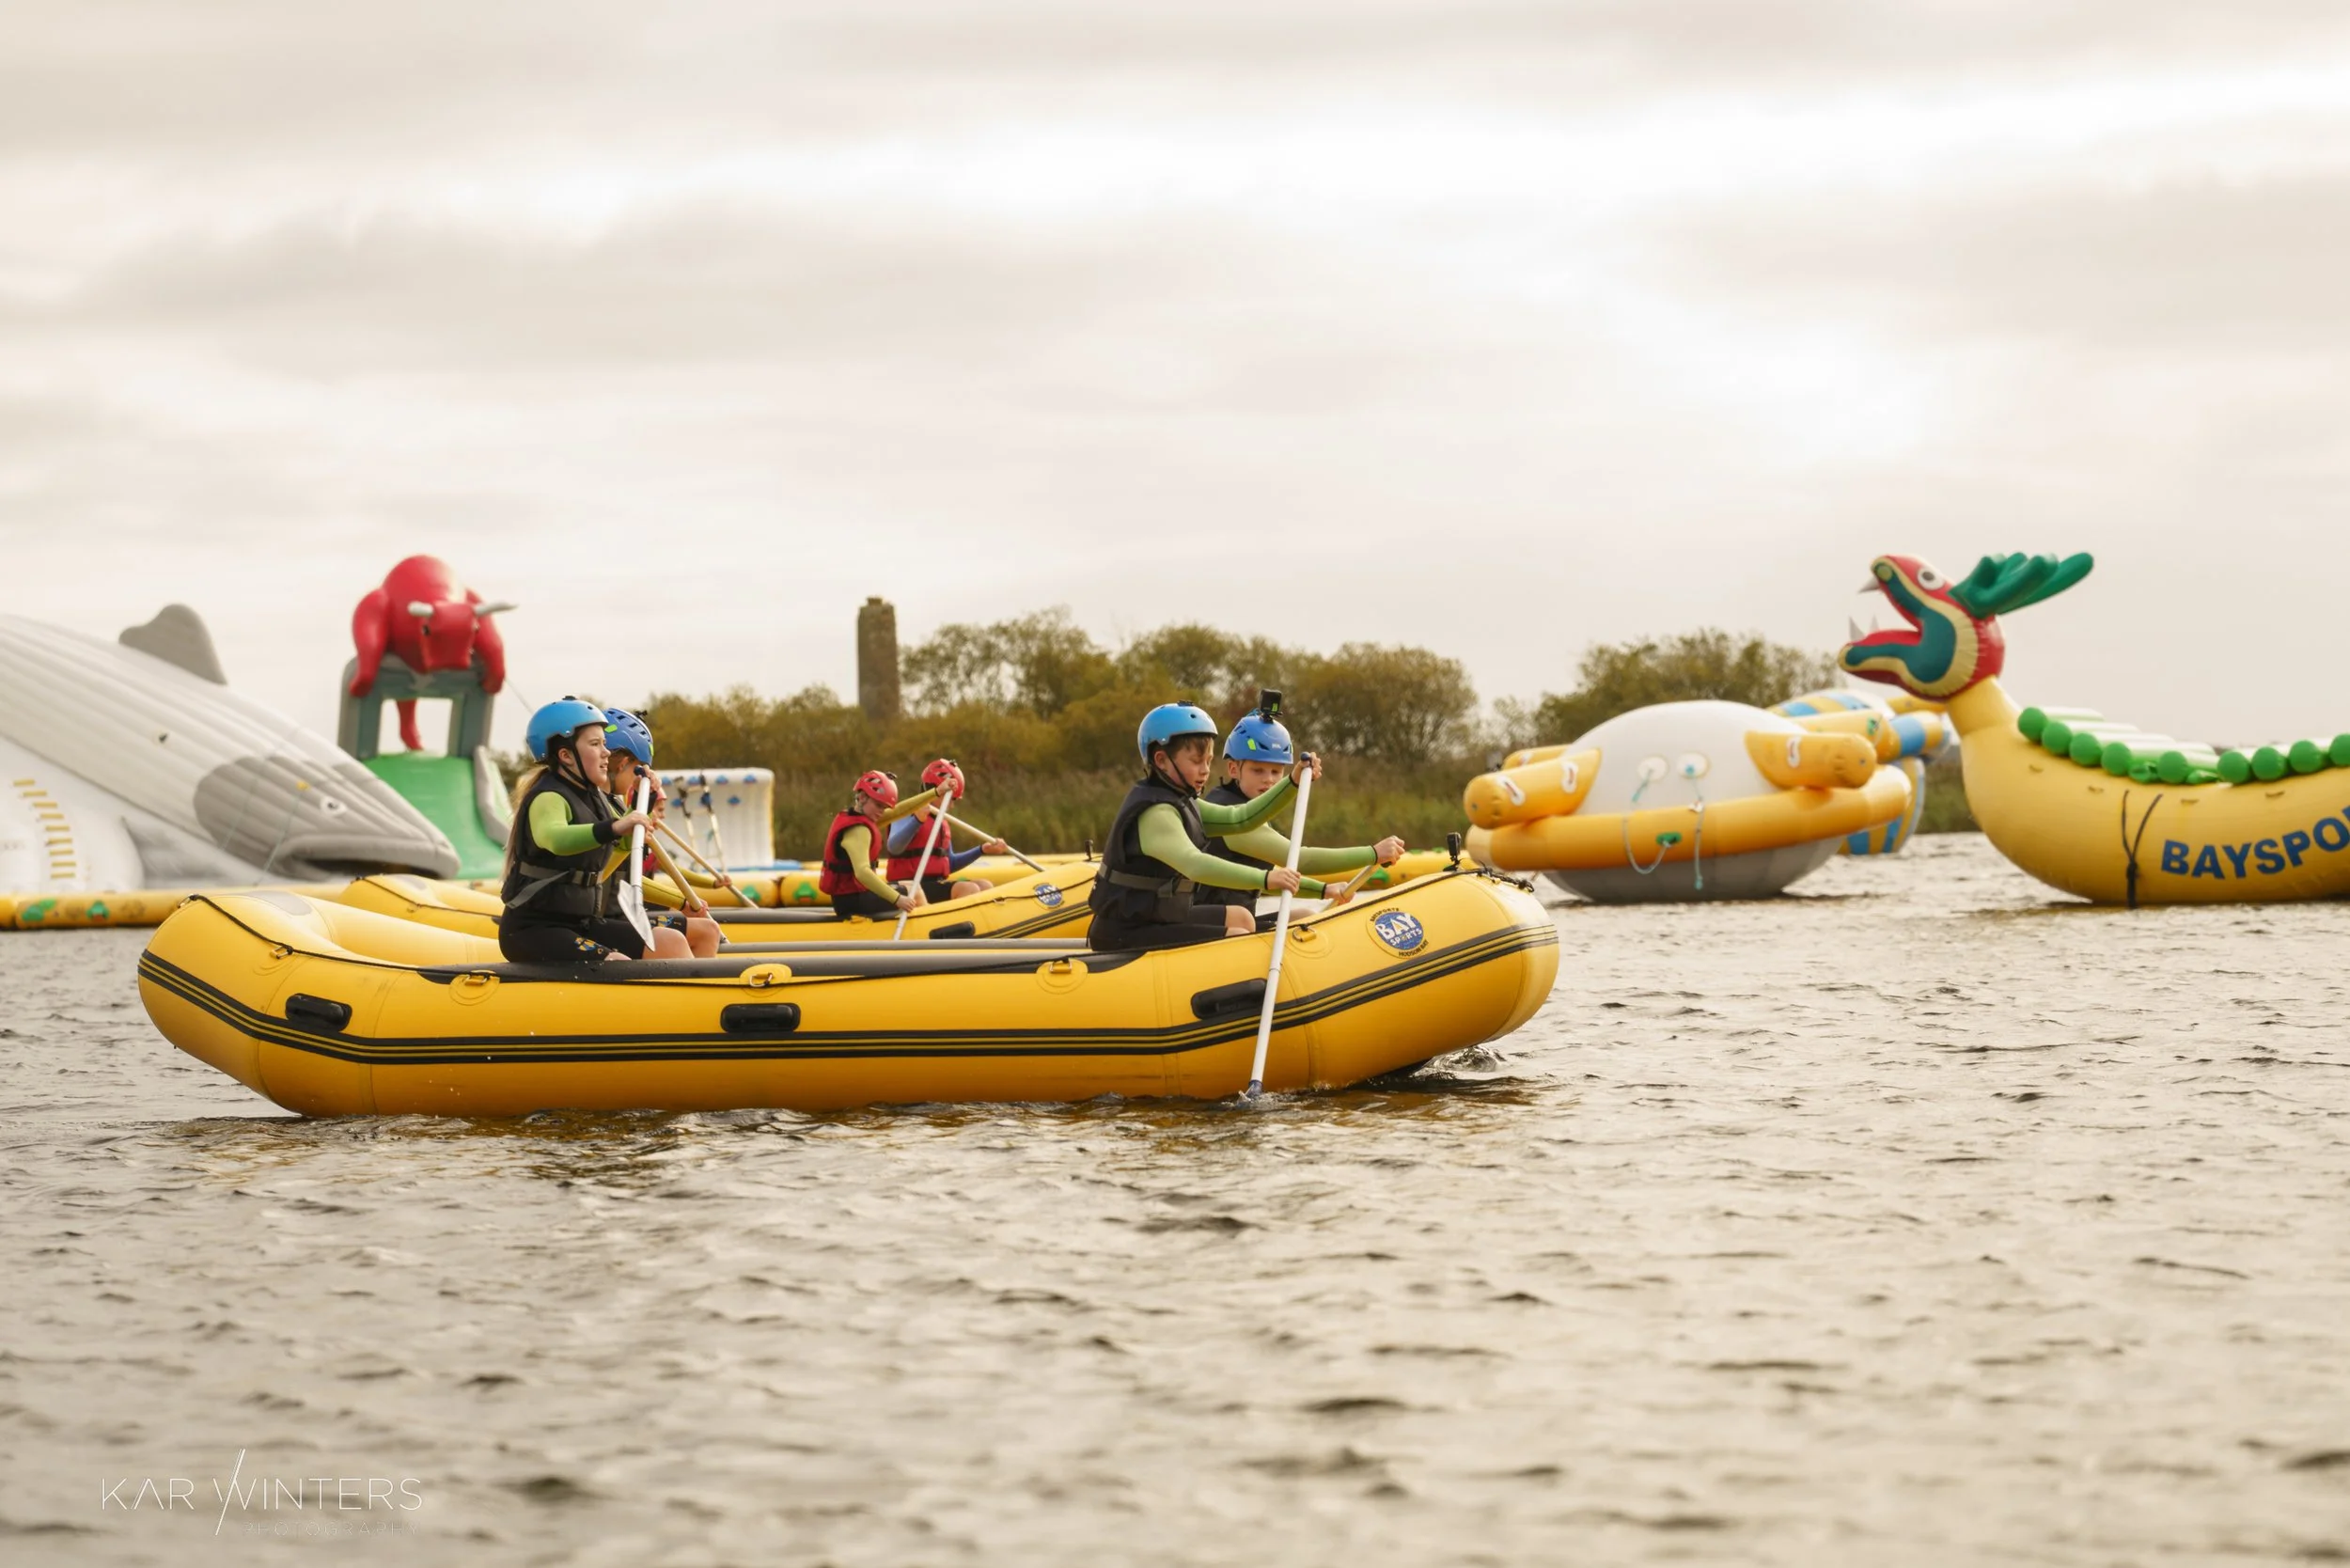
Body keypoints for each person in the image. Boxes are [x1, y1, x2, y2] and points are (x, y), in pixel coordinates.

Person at [1086, 702, 1324, 954]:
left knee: (1241, 918)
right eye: (1197, 761)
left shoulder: (1183, 801)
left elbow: (1241, 818)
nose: (1206, 771)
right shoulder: (1157, 812)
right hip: (1125, 932)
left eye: (1209, 761)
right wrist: (1266, 878)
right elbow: (1195, 864)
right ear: (1162, 760)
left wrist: (1293, 781)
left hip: (1159, 916)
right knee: (1238, 937)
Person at [1200, 695, 1405, 927]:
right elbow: (1301, 859)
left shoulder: (1251, 807)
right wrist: (1374, 853)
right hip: (1213, 926)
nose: (1268, 780)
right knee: (1245, 919)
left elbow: (1280, 875)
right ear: (1233, 769)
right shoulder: (1231, 812)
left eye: (1276, 772)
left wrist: (1324, 890)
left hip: (1239, 921)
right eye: (1258, 771)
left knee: (1306, 916)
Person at [497, 697, 658, 964]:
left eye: (604, 744)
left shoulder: (593, 797)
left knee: (669, 941)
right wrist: (615, 826)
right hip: (535, 930)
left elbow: (622, 846)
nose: (606, 752)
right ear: (566, 755)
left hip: (582, 922)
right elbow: (555, 839)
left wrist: (646, 801)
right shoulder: (548, 796)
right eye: (596, 744)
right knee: (618, 965)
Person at [601, 707, 731, 959]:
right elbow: (610, 876)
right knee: (673, 941)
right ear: (625, 764)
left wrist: (705, 888)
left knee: (707, 930)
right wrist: (680, 902)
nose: (660, 816)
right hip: (606, 916)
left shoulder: (615, 806)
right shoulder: (601, 809)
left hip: (619, 910)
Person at [818, 768, 951, 919]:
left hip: (853, 897)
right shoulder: (858, 830)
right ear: (862, 797)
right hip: (853, 902)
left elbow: (900, 810)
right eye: (878, 805)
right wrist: (897, 899)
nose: (882, 811)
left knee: (912, 886)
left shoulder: (861, 816)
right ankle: (933, 927)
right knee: (916, 893)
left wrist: (936, 792)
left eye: (885, 807)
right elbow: (862, 872)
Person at [883, 759, 1008, 903]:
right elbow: (894, 847)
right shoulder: (907, 812)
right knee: (968, 889)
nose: (952, 805)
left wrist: (981, 850)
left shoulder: (941, 821)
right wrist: (916, 821)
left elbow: (950, 863)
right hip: (908, 886)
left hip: (932, 884)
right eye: (951, 799)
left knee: (985, 886)